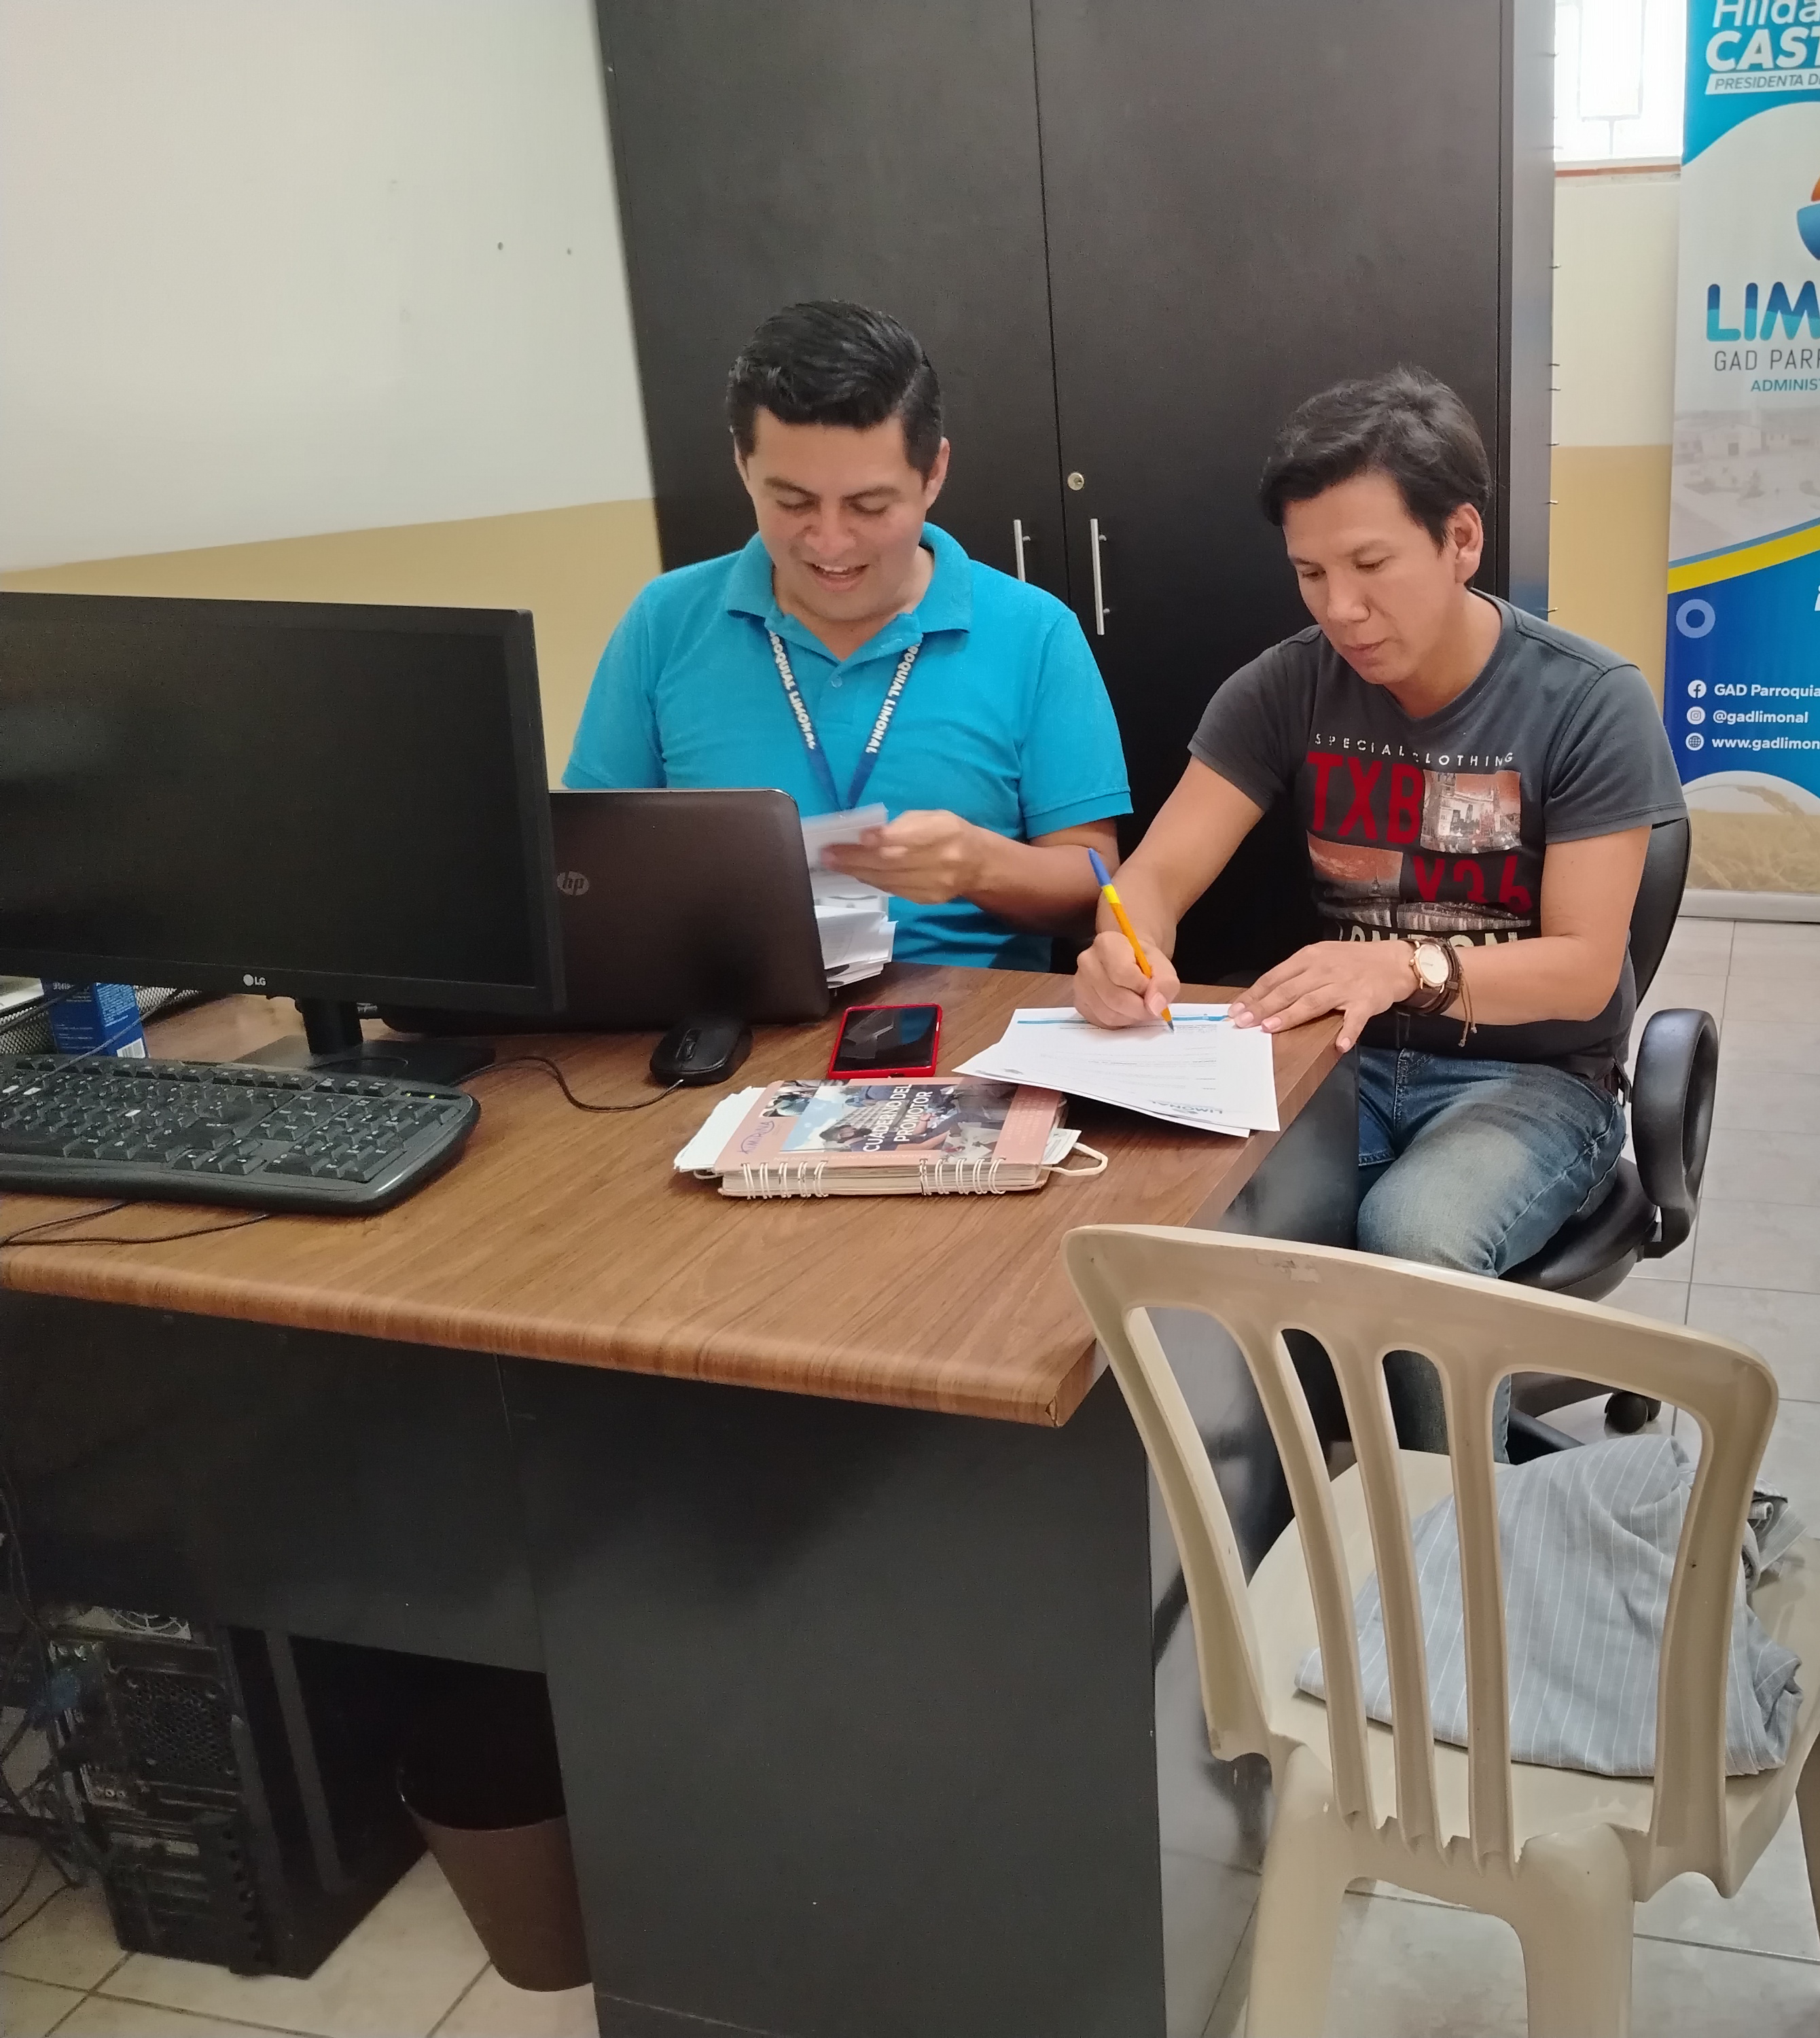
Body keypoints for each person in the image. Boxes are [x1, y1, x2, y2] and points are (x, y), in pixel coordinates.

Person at [1073, 367, 1683, 1448]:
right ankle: (1263, 1514)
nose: (1338, 608)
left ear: (1461, 540)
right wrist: (1122, 945)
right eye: (1310, 573)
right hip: (1337, 1068)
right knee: (1182, 1225)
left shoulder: (1589, 702)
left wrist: (1404, 968)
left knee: (1411, 1239)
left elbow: (1585, 968)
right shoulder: (1287, 686)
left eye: (1369, 565)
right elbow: (1154, 879)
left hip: (1533, 1080)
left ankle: (1455, 1536)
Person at [565, 301, 1128, 969]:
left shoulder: (1034, 632)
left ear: (934, 473)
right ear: (743, 465)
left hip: (962, 1006)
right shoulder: (665, 621)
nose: (830, 543)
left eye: (869, 506)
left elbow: (1096, 888)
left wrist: (980, 865)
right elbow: (582, 867)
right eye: (793, 502)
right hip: (728, 1002)